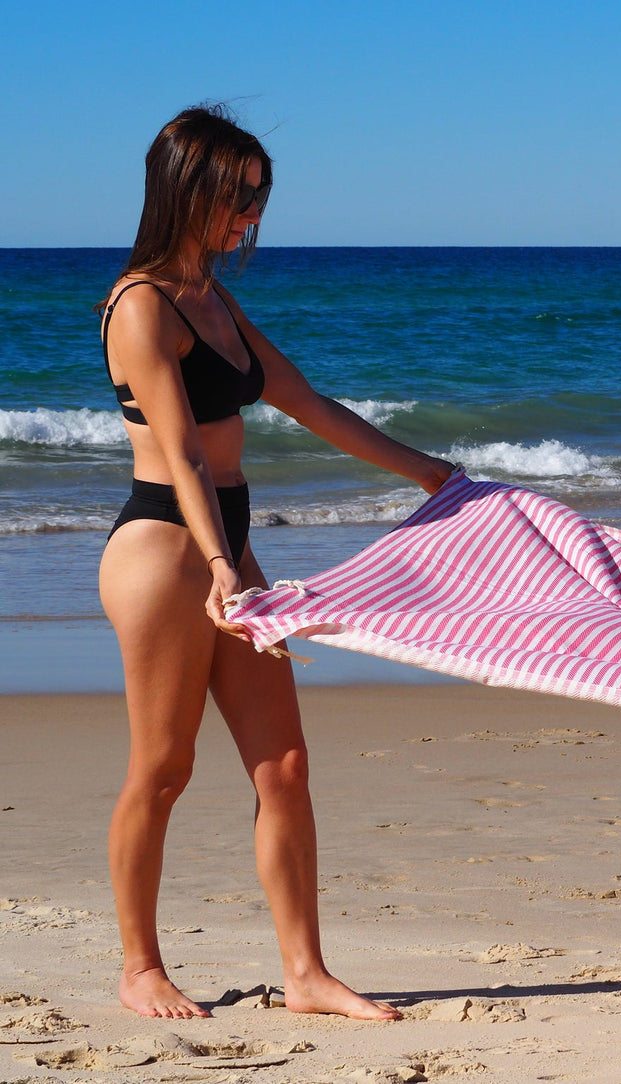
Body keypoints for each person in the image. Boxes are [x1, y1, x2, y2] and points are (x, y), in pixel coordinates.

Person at [97, 104, 453, 1020]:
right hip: (169, 552)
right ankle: (140, 968)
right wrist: (221, 566)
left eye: (259, 197)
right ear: (187, 189)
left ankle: (306, 975)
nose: (249, 215)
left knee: (284, 767)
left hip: (228, 546)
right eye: (236, 196)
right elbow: (178, 456)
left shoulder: (216, 301)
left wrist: (429, 473)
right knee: (164, 768)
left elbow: (307, 402)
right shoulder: (141, 305)